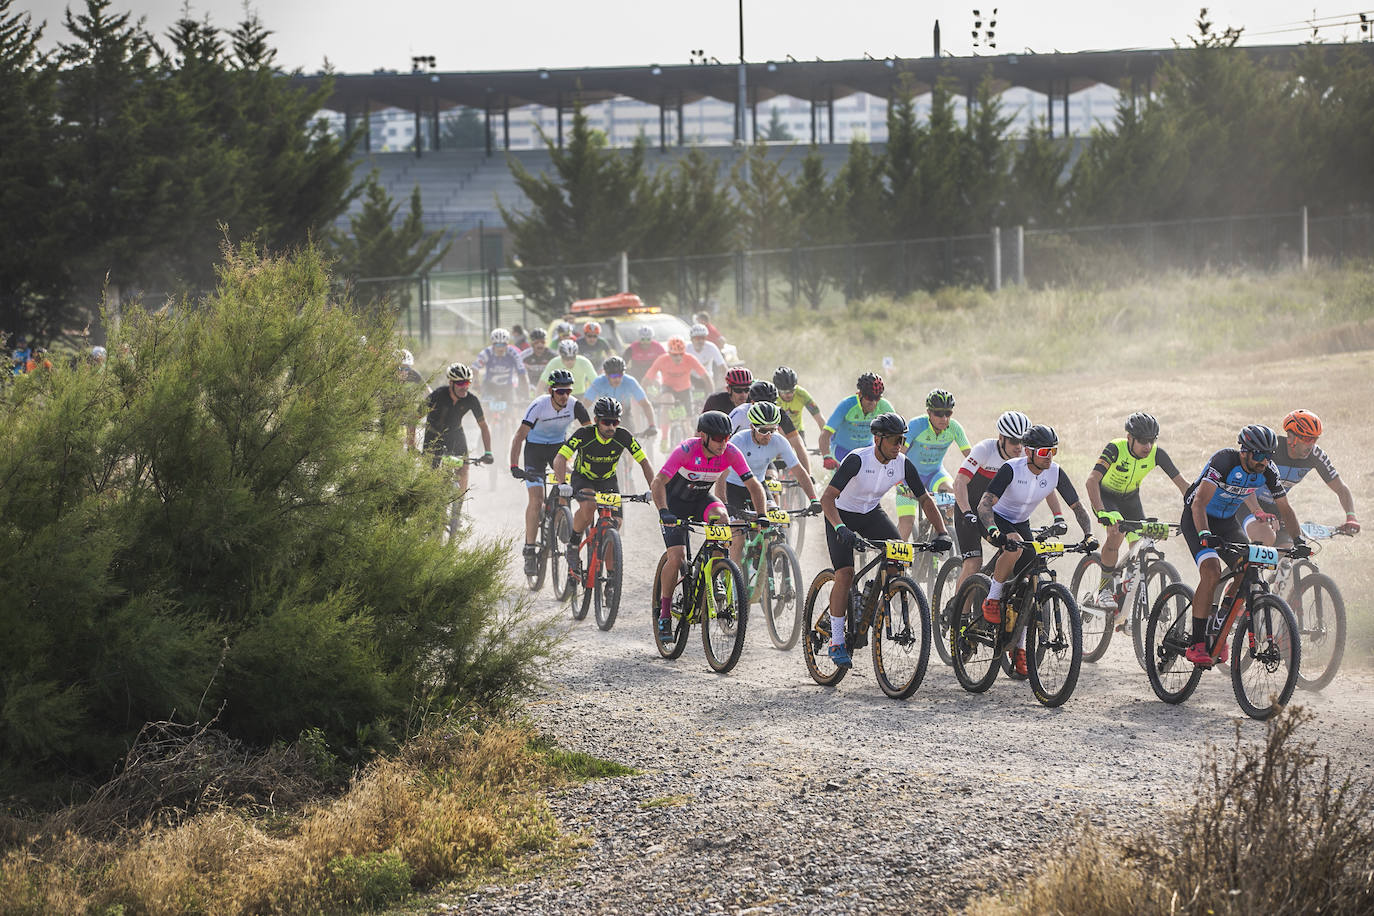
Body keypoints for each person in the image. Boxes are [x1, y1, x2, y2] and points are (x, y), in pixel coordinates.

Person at [820, 412, 953, 666]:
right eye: (893, 440)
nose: (899, 446)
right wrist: (840, 528)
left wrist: (942, 532)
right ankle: (836, 640)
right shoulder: (857, 460)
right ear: (878, 438)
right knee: (845, 574)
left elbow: (924, 499)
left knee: (897, 557)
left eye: (902, 440)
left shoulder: (902, 463)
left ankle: (872, 595)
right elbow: (827, 498)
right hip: (840, 514)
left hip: (870, 513)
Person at [974, 425, 1097, 675]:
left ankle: (1019, 649)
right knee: (1015, 546)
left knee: (1030, 581)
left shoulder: (1055, 473)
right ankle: (992, 598)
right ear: (1029, 451)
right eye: (1044, 451)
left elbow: (1078, 507)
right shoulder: (1012, 469)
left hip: (1021, 522)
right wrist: (995, 532)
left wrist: (1088, 535)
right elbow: (985, 504)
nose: (1049, 456)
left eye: (1053, 450)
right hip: (997, 518)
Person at [1180, 425, 1306, 666]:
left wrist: (1298, 540)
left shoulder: (1267, 470)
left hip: (1227, 522)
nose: (1264, 461)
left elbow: (1285, 508)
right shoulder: (1224, 461)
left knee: (1248, 568)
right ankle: (1197, 641)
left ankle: (1220, 623)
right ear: (1245, 452)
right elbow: (1198, 503)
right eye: (1259, 455)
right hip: (1198, 518)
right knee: (1211, 571)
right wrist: (1205, 533)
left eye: (1268, 456)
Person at [650, 410, 769, 639]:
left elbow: (754, 485)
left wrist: (762, 514)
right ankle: (664, 614)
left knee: (722, 520)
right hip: (674, 504)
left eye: (726, 437)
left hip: (701, 500)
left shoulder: (731, 452)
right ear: (703, 436)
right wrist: (663, 511)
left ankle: (716, 574)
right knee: (676, 558)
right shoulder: (686, 450)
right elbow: (658, 482)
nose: (723, 443)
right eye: (717, 438)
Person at [1083, 411, 1191, 608]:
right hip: (1106, 498)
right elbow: (1092, 481)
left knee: (1140, 544)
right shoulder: (1116, 448)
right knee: (1116, 534)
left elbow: (1183, 485)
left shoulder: (1157, 454)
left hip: (1130, 500)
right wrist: (1101, 512)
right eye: (1142, 441)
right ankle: (1105, 589)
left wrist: (1195, 508)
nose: (1148, 446)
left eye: (1151, 440)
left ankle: (1127, 599)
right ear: (1129, 438)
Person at [553, 396, 655, 575]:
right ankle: (574, 544)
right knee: (589, 507)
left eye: (615, 422)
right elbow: (560, 458)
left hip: (608, 480)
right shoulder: (584, 434)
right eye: (607, 422)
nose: (611, 427)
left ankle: (610, 578)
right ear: (596, 421)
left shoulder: (623, 436)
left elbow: (644, 462)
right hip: (583, 478)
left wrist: (653, 489)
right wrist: (562, 484)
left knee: (614, 524)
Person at [714, 400, 820, 571]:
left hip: (759, 487)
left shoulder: (778, 441)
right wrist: (724, 503)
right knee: (738, 537)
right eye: (763, 430)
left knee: (774, 522)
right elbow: (721, 476)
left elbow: (800, 472)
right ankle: (735, 587)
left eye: (773, 430)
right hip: (733, 487)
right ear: (751, 426)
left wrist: (814, 499)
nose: (768, 435)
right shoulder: (739, 440)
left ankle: (767, 556)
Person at [510, 369, 592, 576]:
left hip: (558, 450)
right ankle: (529, 549)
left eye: (568, 391)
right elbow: (519, 436)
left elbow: (590, 436)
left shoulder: (575, 405)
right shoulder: (539, 406)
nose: (564, 395)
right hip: (535, 452)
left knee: (565, 489)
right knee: (536, 500)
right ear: (551, 391)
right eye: (560, 391)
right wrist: (514, 466)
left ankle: (558, 521)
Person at [953, 410, 1046, 592]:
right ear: (1001, 438)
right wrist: (966, 512)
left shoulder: (1024, 457)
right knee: (973, 564)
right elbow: (959, 482)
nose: (1018, 446)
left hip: (996, 513)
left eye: (1023, 441)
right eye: (1013, 441)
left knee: (1023, 554)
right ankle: (958, 614)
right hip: (970, 509)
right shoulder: (984, 450)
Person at [1251, 409, 1360, 545]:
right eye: (1307, 439)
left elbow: (1340, 488)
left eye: (1314, 439)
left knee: (1289, 549)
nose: (1311, 445)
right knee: (1264, 541)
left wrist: (1351, 516)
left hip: (1278, 507)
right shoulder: (1272, 449)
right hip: (1250, 503)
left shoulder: (1316, 455)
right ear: (1291, 437)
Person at [896, 389, 972, 541]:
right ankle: (890, 560)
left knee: (953, 494)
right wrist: (899, 482)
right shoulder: (917, 425)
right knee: (907, 523)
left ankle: (943, 528)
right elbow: (898, 455)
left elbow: (971, 459)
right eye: (938, 414)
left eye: (948, 413)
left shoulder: (954, 428)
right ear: (929, 412)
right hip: (908, 477)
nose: (944, 418)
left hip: (934, 474)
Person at [422, 363, 493, 496]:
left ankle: (456, 511)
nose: (464, 387)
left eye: (467, 382)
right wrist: (410, 445)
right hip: (433, 436)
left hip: (455, 434)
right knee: (430, 475)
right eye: (460, 383)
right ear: (451, 383)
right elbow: (413, 419)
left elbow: (483, 426)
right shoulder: (437, 396)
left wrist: (488, 452)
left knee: (464, 468)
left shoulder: (471, 400)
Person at [727, 379, 812, 475]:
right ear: (752, 402)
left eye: (771, 404)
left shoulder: (778, 413)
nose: (766, 409)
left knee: (772, 480)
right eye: (762, 404)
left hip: (763, 457)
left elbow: (798, 445)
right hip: (738, 456)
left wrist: (809, 475)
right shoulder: (740, 413)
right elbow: (723, 441)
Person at [818, 372, 894, 469]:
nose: (873, 402)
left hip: (867, 449)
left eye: (877, 398)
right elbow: (825, 434)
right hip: (841, 449)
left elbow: (897, 433)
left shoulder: (884, 406)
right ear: (859, 394)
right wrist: (826, 457)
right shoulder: (847, 405)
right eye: (869, 398)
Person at [643, 337, 710, 443]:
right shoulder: (662, 360)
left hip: (685, 390)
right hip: (668, 388)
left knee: (687, 424)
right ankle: (664, 438)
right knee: (667, 400)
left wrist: (711, 394)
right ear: (669, 353)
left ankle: (690, 446)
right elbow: (647, 379)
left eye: (681, 354)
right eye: (675, 355)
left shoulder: (690, 358)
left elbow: (706, 376)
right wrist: (644, 395)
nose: (678, 357)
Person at [584, 356, 657, 436]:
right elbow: (585, 404)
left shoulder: (630, 381)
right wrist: (582, 425)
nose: (617, 379)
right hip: (603, 418)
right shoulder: (599, 382)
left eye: (620, 375)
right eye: (613, 376)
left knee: (629, 440)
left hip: (624, 415)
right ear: (606, 375)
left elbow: (645, 404)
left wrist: (652, 425)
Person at [472, 328, 528, 410]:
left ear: (507, 344)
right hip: (490, 386)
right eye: (498, 345)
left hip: (507, 387)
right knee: (486, 410)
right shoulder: (487, 352)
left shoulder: (513, 353)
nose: (500, 349)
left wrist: (525, 395)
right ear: (493, 345)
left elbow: (522, 374)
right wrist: (476, 382)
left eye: (503, 345)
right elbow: (475, 367)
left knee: (511, 411)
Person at [772, 366, 825, 436]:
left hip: (797, 431)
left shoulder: (802, 394)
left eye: (792, 390)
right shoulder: (772, 396)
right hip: (778, 432)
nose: (789, 394)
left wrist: (827, 438)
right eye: (784, 392)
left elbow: (819, 418)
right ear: (777, 389)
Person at [395, 349, 425, 450]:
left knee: (411, 443)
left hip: (408, 411)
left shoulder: (414, 375)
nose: (404, 372)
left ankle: (410, 455)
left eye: (407, 369)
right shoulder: (386, 376)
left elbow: (429, 393)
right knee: (395, 443)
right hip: (391, 412)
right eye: (400, 368)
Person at [687, 323, 727, 393]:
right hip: (691, 377)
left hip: (707, 377)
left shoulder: (711, 347)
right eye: (697, 338)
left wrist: (729, 382)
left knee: (710, 397)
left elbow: (722, 366)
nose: (700, 341)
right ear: (691, 339)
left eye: (703, 338)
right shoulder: (687, 348)